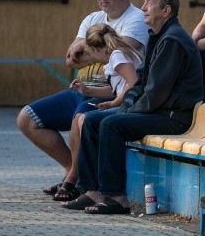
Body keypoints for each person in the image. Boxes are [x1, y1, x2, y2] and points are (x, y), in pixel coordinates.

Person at [62, 0, 203, 214]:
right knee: (90, 120)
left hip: (173, 117)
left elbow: (156, 93)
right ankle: (91, 191)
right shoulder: (159, 36)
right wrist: (125, 105)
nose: (143, 7)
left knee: (111, 124)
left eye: (149, 2)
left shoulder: (172, 40)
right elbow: (142, 83)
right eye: (144, 1)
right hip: (158, 110)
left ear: (165, 11)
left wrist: (126, 111)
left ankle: (116, 197)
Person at [17, 0, 148, 197]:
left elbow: (116, 52)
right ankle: (71, 170)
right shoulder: (91, 19)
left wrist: (88, 50)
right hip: (83, 88)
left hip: (108, 94)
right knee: (27, 119)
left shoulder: (137, 18)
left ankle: (73, 181)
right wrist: (95, 52)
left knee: (80, 118)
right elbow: (71, 59)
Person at [51, 24, 143, 201]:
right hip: (126, 103)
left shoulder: (118, 56)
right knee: (86, 119)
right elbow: (117, 88)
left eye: (90, 54)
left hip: (133, 106)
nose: (91, 59)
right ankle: (88, 187)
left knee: (88, 121)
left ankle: (90, 187)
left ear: (95, 49)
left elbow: (133, 84)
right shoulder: (115, 57)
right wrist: (88, 91)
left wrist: (113, 103)